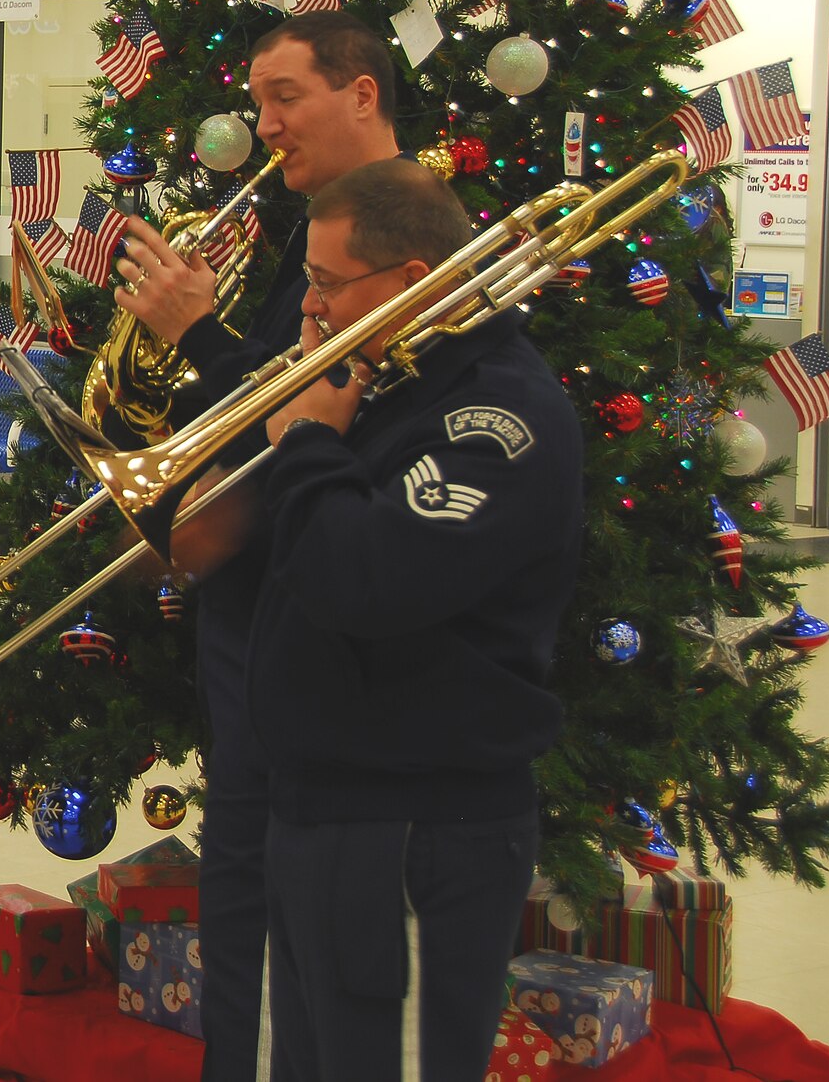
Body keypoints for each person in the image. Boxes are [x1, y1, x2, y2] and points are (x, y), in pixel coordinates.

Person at [110, 11, 404, 1079]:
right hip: (246, 590)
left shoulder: (385, 242)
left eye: (284, 98)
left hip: (308, 610)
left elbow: (310, 417)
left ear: (360, 95)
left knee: (279, 886)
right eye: (258, 101)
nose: (263, 125)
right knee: (235, 871)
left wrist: (195, 332)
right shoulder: (307, 222)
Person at [250, 159, 581, 1079]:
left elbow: (369, 583)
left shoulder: (495, 413)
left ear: (409, 280)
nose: (308, 310)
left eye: (324, 284)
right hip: (327, 799)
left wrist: (311, 444)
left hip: (417, 824)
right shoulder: (393, 380)